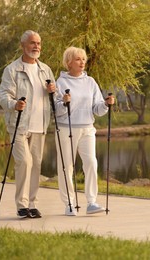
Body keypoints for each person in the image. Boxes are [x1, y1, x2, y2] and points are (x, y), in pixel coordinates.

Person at [0, 30, 56, 219]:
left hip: (40, 125)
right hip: (19, 125)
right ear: (23, 45)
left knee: (36, 165)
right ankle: (22, 205)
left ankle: (32, 204)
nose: (36, 46)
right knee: (24, 162)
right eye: (32, 43)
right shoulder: (12, 69)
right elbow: (4, 95)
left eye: (39, 43)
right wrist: (14, 104)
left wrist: (52, 91)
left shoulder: (45, 69)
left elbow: (53, 95)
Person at [55, 46, 114, 216]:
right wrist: (64, 102)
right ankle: (69, 204)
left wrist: (106, 104)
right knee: (67, 167)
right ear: (69, 63)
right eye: (78, 59)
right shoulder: (61, 82)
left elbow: (97, 108)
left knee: (91, 163)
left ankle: (91, 202)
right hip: (67, 129)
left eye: (83, 59)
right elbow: (56, 109)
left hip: (87, 128)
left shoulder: (90, 82)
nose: (82, 62)